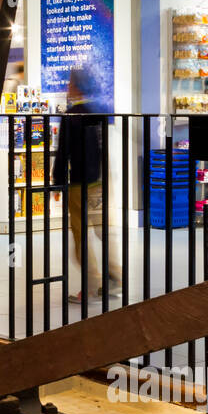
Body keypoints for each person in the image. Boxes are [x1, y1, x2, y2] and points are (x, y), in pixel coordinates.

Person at [52, 64, 122, 303]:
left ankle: (91, 285)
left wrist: (58, 181)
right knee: (104, 230)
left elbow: (64, 153)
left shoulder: (72, 116)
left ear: (76, 86)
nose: (67, 86)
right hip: (101, 181)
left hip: (80, 182)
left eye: (70, 83)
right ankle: (114, 277)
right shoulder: (100, 111)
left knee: (81, 235)